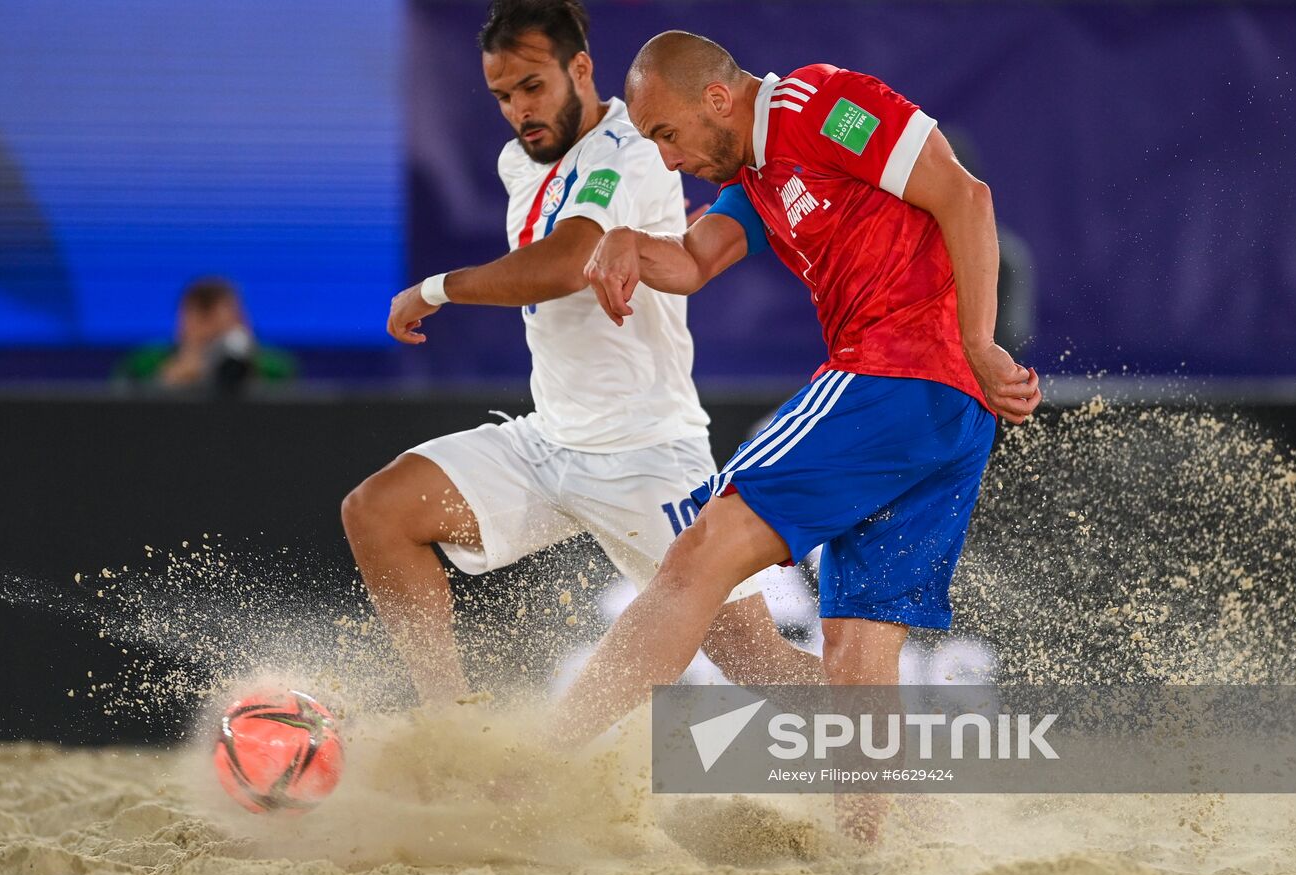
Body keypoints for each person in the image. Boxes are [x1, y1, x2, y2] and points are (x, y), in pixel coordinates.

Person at [553, 32, 1042, 752]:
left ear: (718, 97)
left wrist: (979, 340)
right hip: (945, 411)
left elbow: (965, 194)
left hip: (894, 374)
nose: (666, 157)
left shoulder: (818, 105)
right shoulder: (757, 179)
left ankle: (538, 760)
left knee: (696, 554)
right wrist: (624, 239)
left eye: (666, 133)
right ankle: (873, 847)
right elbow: (691, 261)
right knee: (858, 658)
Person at [341, 2, 823, 706]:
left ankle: (910, 751)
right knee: (377, 511)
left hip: (647, 454)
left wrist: (437, 289)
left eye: (532, 87)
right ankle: (446, 722)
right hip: (551, 441)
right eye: (502, 95)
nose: (518, 110)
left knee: (757, 660)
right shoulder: (518, 162)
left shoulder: (630, 142)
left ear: (581, 69)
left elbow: (570, 260)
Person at [113, 276, 296, 393]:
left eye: (218, 335)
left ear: (243, 323)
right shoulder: (144, 364)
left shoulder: (275, 368)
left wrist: (250, 376)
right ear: (180, 326)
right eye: (203, 339)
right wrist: (165, 385)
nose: (211, 345)